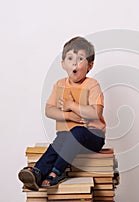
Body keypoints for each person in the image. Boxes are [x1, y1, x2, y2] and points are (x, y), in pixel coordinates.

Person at [18, 36, 106, 190]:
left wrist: (70, 104)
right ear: (63, 64)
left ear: (90, 66)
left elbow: (95, 112)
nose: (74, 63)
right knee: (59, 141)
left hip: (92, 137)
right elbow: (49, 110)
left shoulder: (92, 85)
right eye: (70, 58)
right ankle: (38, 172)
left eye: (80, 59)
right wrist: (69, 115)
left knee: (76, 132)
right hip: (67, 137)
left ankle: (57, 172)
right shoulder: (59, 85)